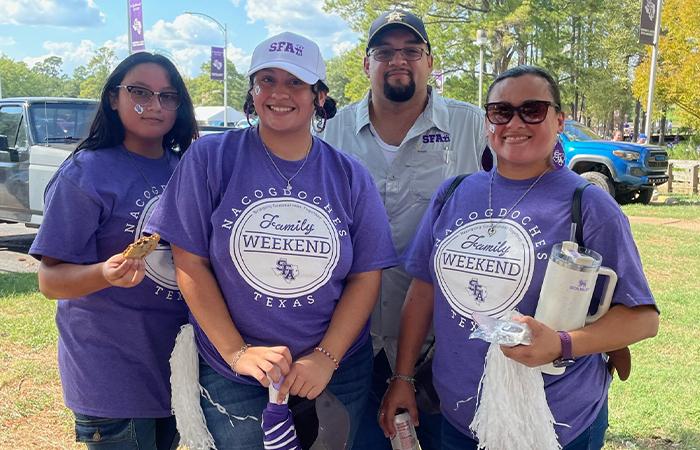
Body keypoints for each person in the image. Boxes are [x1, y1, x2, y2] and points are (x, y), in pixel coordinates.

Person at [379, 65, 659, 449]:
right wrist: (403, 378)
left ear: (559, 121)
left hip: (555, 422)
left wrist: (561, 343)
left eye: (533, 110)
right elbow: (423, 291)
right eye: (501, 111)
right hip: (460, 417)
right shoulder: (454, 193)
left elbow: (643, 319)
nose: (515, 122)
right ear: (487, 122)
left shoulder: (589, 204)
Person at [144, 31, 397, 449]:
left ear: (319, 95)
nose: (280, 93)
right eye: (267, 80)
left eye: (295, 82)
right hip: (237, 375)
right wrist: (238, 353)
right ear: (252, 90)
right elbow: (190, 263)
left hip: (335, 371)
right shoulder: (211, 158)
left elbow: (365, 275)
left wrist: (326, 357)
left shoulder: (349, 174)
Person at [320, 9, 488, 449]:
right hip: (347, 345)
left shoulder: (474, 126)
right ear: (366, 63)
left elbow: (530, 194)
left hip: (442, 344)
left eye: (411, 50)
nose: (399, 60)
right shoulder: (330, 133)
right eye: (385, 51)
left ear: (430, 61)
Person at [29, 52, 198, 449]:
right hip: (112, 373)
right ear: (112, 98)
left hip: (176, 366)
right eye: (140, 92)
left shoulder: (186, 169)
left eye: (168, 96)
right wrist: (103, 273)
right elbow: (49, 280)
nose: (155, 105)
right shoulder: (86, 173)